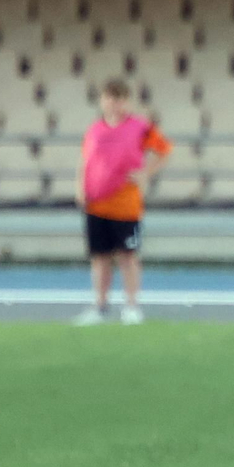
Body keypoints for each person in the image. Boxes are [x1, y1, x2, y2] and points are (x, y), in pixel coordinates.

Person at [72, 79, 172, 326]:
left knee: (128, 257)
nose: (114, 104)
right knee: (99, 258)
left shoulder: (140, 127)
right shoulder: (94, 129)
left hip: (125, 204)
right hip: (96, 203)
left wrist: (146, 173)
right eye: (109, 98)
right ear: (102, 100)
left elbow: (165, 150)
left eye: (119, 99)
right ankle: (100, 305)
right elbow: (85, 161)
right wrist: (79, 187)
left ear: (126, 101)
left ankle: (131, 306)